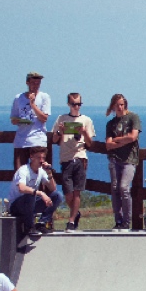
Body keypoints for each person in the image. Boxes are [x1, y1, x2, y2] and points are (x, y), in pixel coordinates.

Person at [49, 93, 95, 232]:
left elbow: (89, 143)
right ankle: (76, 213)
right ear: (68, 104)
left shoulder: (86, 120)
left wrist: (84, 132)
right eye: (74, 104)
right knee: (67, 193)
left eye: (79, 104)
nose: (76, 107)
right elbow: (54, 140)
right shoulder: (61, 119)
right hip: (65, 158)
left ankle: (71, 220)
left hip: (80, 157)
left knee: (77, 192)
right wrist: (60, 131)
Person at [7, 145, 63, 239]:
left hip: (31, 203)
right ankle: (29, 227)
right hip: (16, 205)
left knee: (58, 196)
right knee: (31, 195)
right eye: (38, 157)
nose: (41, 160)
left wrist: (49, 173)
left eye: (43, 158)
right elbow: (21, 188)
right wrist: (41, 193)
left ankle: (41, 223)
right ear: (31, 157)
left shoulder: (41, 171)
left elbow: (53, 188)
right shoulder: (24, 170)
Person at [104, 93, 140, 232]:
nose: (119, 107)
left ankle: (126, 222)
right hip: (114, 159)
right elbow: (108, 145)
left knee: (124, 188)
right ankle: (118, 221)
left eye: (121, 104)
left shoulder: (133, 118)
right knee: (115, 189)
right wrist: (123, 141)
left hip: (129, 159)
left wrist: (116, 140)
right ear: (113, 106)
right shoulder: (110, 124)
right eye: (117, 105)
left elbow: (133, 137)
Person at [10, 72, 51, 168]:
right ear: (27, 83)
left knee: (39, 172)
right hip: (21, 141)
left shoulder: (44, 97)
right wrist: (19, 120)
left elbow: (44, 118)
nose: (36, 85)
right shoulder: (18, 98)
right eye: (33, 83)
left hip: (38, 140)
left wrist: (32, 104)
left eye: (38, 83)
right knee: (19, 172)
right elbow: (13, 118)